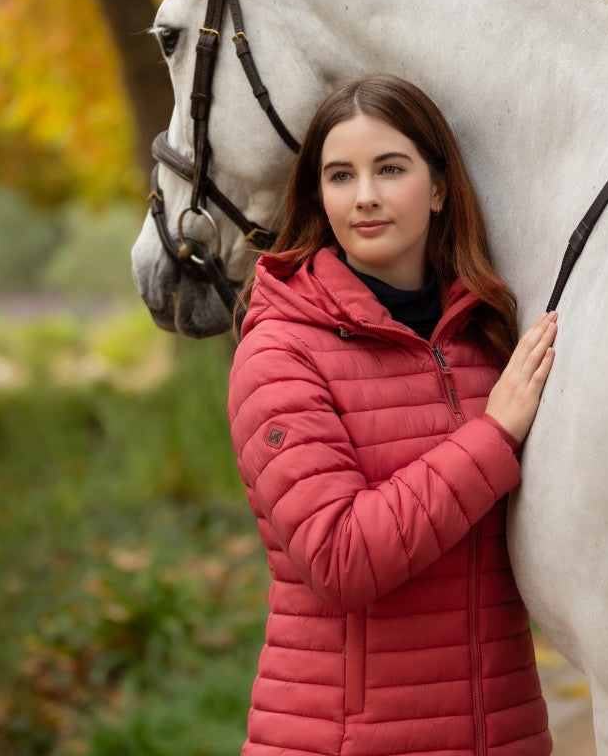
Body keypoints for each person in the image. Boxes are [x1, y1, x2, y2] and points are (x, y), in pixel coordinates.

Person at [228, 74, 557, 756]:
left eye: (391, 169)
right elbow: (339, 557)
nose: (366, 196)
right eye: (341, 175)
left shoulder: (489, 339)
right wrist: (492, 437)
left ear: (438, 189)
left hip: (504, 733)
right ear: (318, 195)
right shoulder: (281, 351)